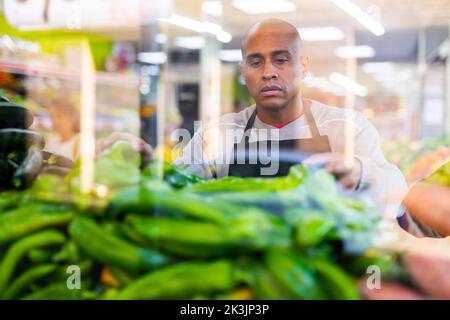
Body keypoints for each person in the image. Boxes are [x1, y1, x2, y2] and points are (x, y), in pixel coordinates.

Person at [98, 18, 406, 212]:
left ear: (304, 67)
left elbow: (397, 192)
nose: (269, 73)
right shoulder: (219, 133)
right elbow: (177, 186)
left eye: (281, 60)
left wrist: (358, 170)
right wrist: (148, 163)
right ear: (244, 72)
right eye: (256, 62)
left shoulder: (347, 129)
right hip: (244, 268)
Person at [44, 96, 80, 160]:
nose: (54, 121)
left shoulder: (81, 142)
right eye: (52, 116)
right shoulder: (51, 141)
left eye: (59, 116)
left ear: (72, 117)